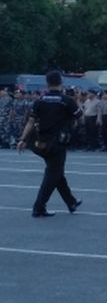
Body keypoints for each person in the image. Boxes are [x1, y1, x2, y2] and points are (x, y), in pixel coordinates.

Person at [16, 70, 82, 218]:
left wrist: (22, 139)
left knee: (57, 172)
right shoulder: (66, 100)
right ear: (61, 82)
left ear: (47, 83)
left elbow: (31, 122)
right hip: (58, 142)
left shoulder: (39, 101)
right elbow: (79, 116)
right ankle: (39, 207)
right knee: (53, 174)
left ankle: (71, 202)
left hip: (42, 142)